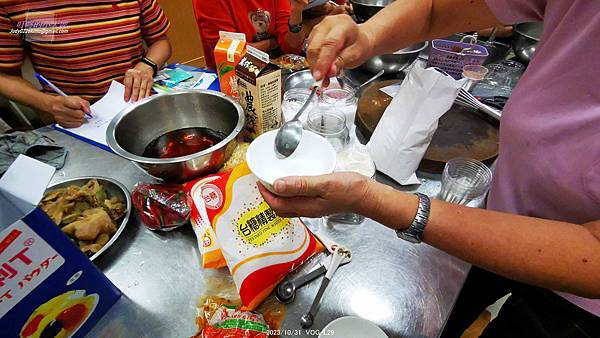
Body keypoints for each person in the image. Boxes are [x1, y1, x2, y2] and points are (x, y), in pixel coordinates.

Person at [258, 0, 600, 336]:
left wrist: (376, 201)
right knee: (440, 318)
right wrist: (367, 36)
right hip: (502, 210)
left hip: (578, 297)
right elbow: (436, 8)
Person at [0, 0, 172, 128]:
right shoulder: (13, 5)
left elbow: (160, 41)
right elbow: (5, 76)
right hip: (76, 119)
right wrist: (48, 103)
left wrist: (147, 64)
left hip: (139, 105)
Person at [193, 0, 313, 69]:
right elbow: (229, 53)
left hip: (277, 71)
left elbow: (291, 47)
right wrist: (272, 42)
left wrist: (296, 11)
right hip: (233, 78)